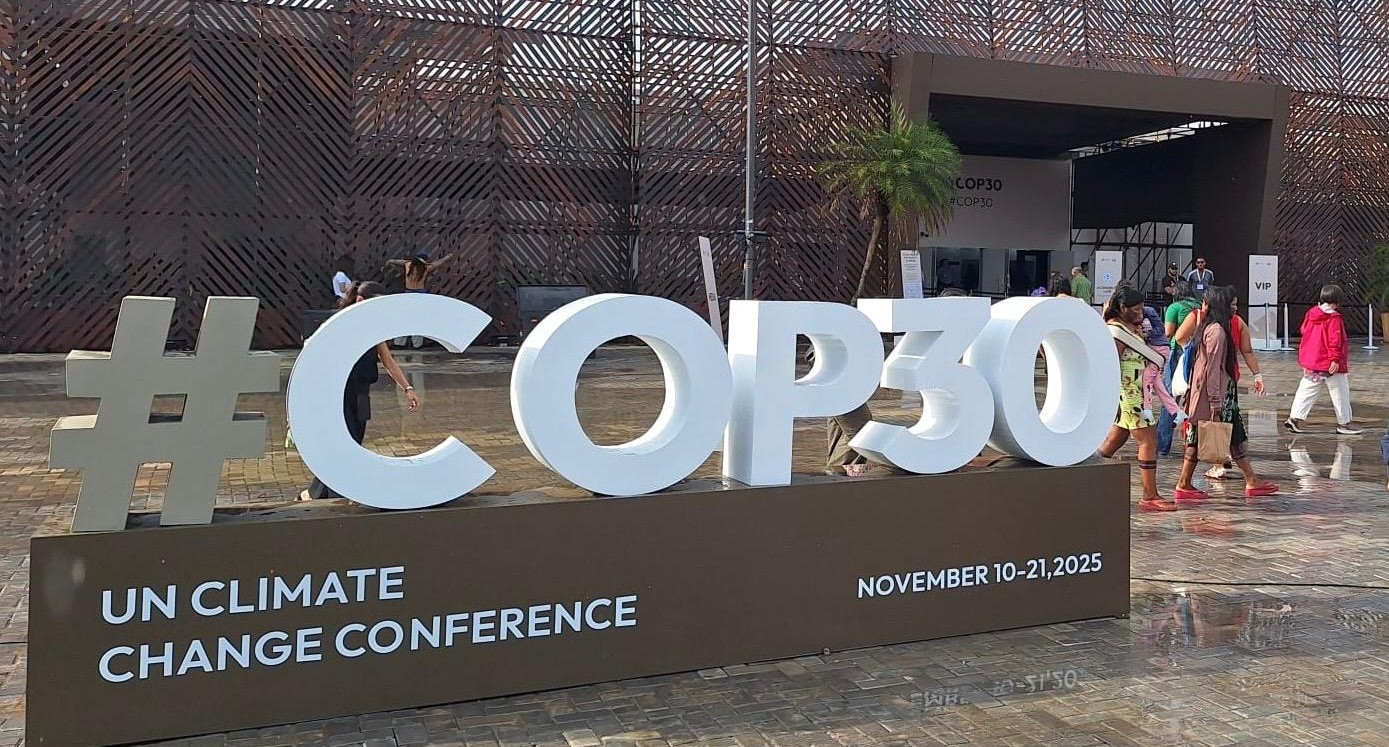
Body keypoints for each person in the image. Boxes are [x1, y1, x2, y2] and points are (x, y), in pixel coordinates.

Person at [299, 281, 421, 501]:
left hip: (361, 392)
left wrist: (408, 388)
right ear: (360, 301)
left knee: (354, 442)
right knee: (340, 443)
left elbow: (388, 362)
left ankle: (324, 491)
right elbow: (312, 350)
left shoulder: (374, 329)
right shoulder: (339, 324)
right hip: (337, 393)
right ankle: (326, 491)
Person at [1172, 286, 1278, 501]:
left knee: (1213, 435)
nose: (1235, 308)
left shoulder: (1209, 327)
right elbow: (1212, 369)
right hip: (1218, 395)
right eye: (1231, 304)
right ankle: (1249, 480)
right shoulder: (1218, 332)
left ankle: (1186, 483)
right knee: (1229, 434)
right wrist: (1215, 402)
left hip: (1207, 394)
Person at [1098, 288, 1181, 511]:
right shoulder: (1116, 330)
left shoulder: (1125, 326)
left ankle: (1084, 473)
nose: (1140, 313)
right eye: (1135, 309)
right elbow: (1111, 365)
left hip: (1135, 391)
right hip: (1130, 393)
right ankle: (1149, 494)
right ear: (1122, 308)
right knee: (1149, 440)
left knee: (1113, 442)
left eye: (1141, 308)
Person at [1286, 284, 1362, 435]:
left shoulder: (1311, 313)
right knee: (1340, 391)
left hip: (1312, 360)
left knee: (1307, 389)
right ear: (1338, 301)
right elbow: (1335, 339)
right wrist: (1335, 359)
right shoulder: (1334, 318)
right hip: (1329, 362)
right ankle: (1344, 423)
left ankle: (1294, 418)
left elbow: (1303, 330)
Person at [1159, 281, 1201, 456]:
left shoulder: (1174, 307)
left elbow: (1168, 332)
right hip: (1197, 352)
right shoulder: (1199, 306)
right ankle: (1194, 444)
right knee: (1194, 398)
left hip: (1177, 352)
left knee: (1169, 397)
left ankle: (1162, 445)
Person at [386, 251, 452, 347]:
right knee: (418, 320)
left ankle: (399, 343)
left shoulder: (408, 265)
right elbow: (438, 263)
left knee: (404, 319)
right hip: (420, 295)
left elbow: (395, 261)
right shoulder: (425, 268)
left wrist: (390, 261)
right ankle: (417, 344)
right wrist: (448, 257)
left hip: (408, 293)